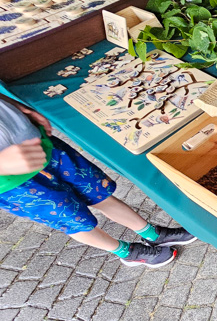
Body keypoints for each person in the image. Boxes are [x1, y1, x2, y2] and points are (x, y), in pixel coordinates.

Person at [0, 93, 197, 268]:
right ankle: (127, 252)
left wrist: (19, 107)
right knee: (73, 220)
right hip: (13, 183)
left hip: (42, 144)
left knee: (98, 193)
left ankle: (153, 234)